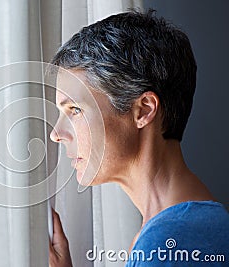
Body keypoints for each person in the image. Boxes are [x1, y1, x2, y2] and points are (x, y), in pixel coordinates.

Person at [48, 10, 229, 266]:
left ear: (143, 110)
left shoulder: (171, 242)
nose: (56, 134)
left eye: (75, 110)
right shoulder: (188, 230)